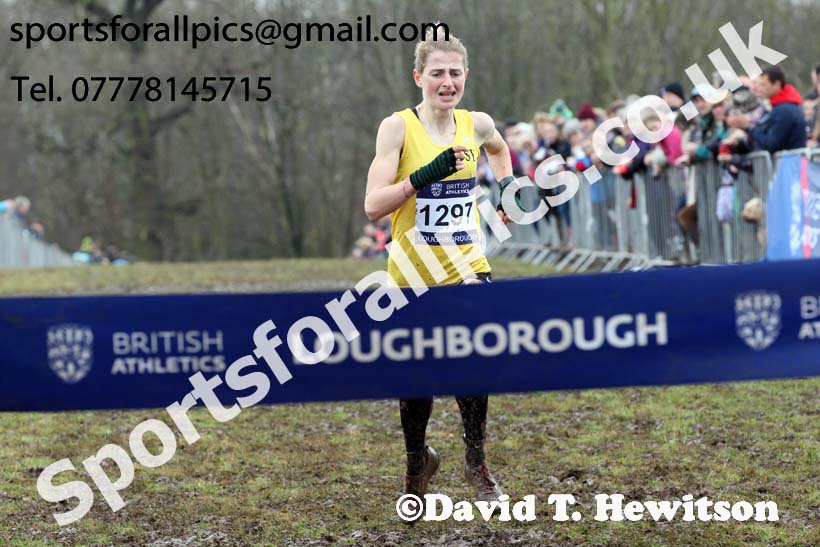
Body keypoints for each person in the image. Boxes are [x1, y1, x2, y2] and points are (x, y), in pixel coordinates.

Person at [363, 29, 514, 515]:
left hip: (469, 266)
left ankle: (477, 463)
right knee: (417, 383)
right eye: (437, 74)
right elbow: (372, 206)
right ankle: (416, 466)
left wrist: (508, 187)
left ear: (465, 76)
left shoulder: (477, 122)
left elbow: (499, 149)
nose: (446, 83)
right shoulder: (397, 128)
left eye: (454, 73)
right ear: (418, 78)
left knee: (474, 366)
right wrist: (423, 177)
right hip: (412, 274)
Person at [727, 66, 806, 153]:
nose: (760, 88)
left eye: (763, 85)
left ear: (776, 84)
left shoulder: (783, 110)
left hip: (789, 164)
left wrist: (748, 127)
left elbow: (771, 144)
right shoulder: (785, 106)